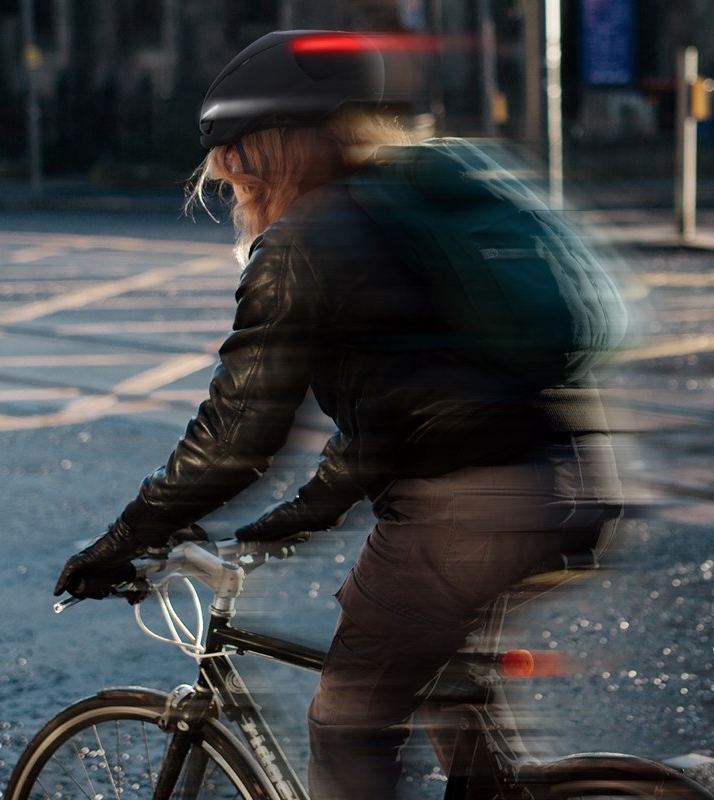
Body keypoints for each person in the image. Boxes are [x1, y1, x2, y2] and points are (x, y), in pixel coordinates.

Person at [54, 30, 625, 800]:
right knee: (425, 669)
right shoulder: (400, 208)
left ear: (262, 155)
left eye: (230, 173)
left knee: (349, 721)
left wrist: (123, 539)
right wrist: (293, 518)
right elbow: (392, 419)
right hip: (563, 479)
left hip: (465, 511)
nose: (230, 191)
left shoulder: (303, 243)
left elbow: (238, 432)